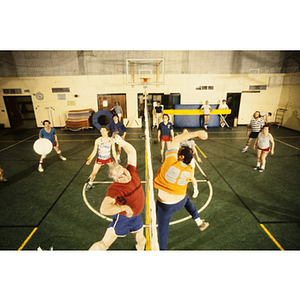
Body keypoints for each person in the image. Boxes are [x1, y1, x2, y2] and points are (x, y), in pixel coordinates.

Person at [153, 129, 209, 250]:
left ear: (181, 156)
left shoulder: (170, 161)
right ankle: (199, 221)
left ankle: (163, 251)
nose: (177, 150)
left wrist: (198, 133)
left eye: (179, 151)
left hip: (165, 206)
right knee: (187, 200)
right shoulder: (189, 170)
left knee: (163, 230)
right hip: (180, 202)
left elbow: (177, 139)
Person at [89, 133, 146, 251]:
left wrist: (122, 143)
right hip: (124, 219)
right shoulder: (115, 189)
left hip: (137, 217)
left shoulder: (131, 170)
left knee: (141, 240)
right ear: (116, 179)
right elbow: (104, 209)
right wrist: (124, 208)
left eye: (124, 170)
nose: (127, 174)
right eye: (122, 175)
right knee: (103, 245)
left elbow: (132, 153)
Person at [85, 126, 118, 191]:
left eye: (103, 130)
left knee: (115, 171)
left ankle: (117, 184)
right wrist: (90, 160)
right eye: (101, 131)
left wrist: (116, 161)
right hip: (100, 159)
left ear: (107, 131)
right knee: (94, 173)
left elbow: (114, 151)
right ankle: (90, 183)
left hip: (108, 159)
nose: (102, 132)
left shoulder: (111, 141)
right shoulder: (98, 140)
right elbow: (94, 151)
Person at [179, 128, 203, 198]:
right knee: (182, 176)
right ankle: (182, 190)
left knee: (191, 176)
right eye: (184, 132)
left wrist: (197, 157)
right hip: (182, 161)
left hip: (190, 160)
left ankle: (196, 190)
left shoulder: (191, 141)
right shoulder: (180, 141)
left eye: (186, 132)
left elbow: (194, 150)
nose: (185, 133)